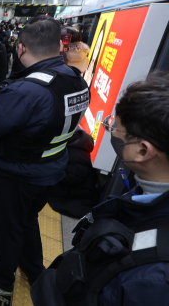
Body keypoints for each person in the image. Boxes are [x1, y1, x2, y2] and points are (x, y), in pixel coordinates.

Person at [0, 15, 90, 292]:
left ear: (20, 48)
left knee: (5, 225)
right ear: (59, 46)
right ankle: (34, 268)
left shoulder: (27, 90)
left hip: (16, 174)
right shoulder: (75, 80)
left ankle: (1, 274)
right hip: (52, 168)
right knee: (27, 219)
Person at [32, 72, 169, 306]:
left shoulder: (155, 279)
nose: (111, 131)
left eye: (116, 128)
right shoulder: (144, 197)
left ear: (142, 151)